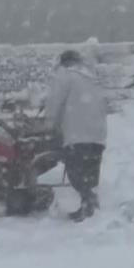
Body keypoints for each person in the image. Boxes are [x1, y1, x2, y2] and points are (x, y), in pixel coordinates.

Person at [44, 50, 108, 221]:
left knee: (76, 173)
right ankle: (90, 207)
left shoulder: (66, 76)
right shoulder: (93, 79)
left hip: (77, 134)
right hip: (97, 135)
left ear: (64, 63)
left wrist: (49, 125)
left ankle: (89, 203)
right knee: (90, 173)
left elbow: (55, 102)